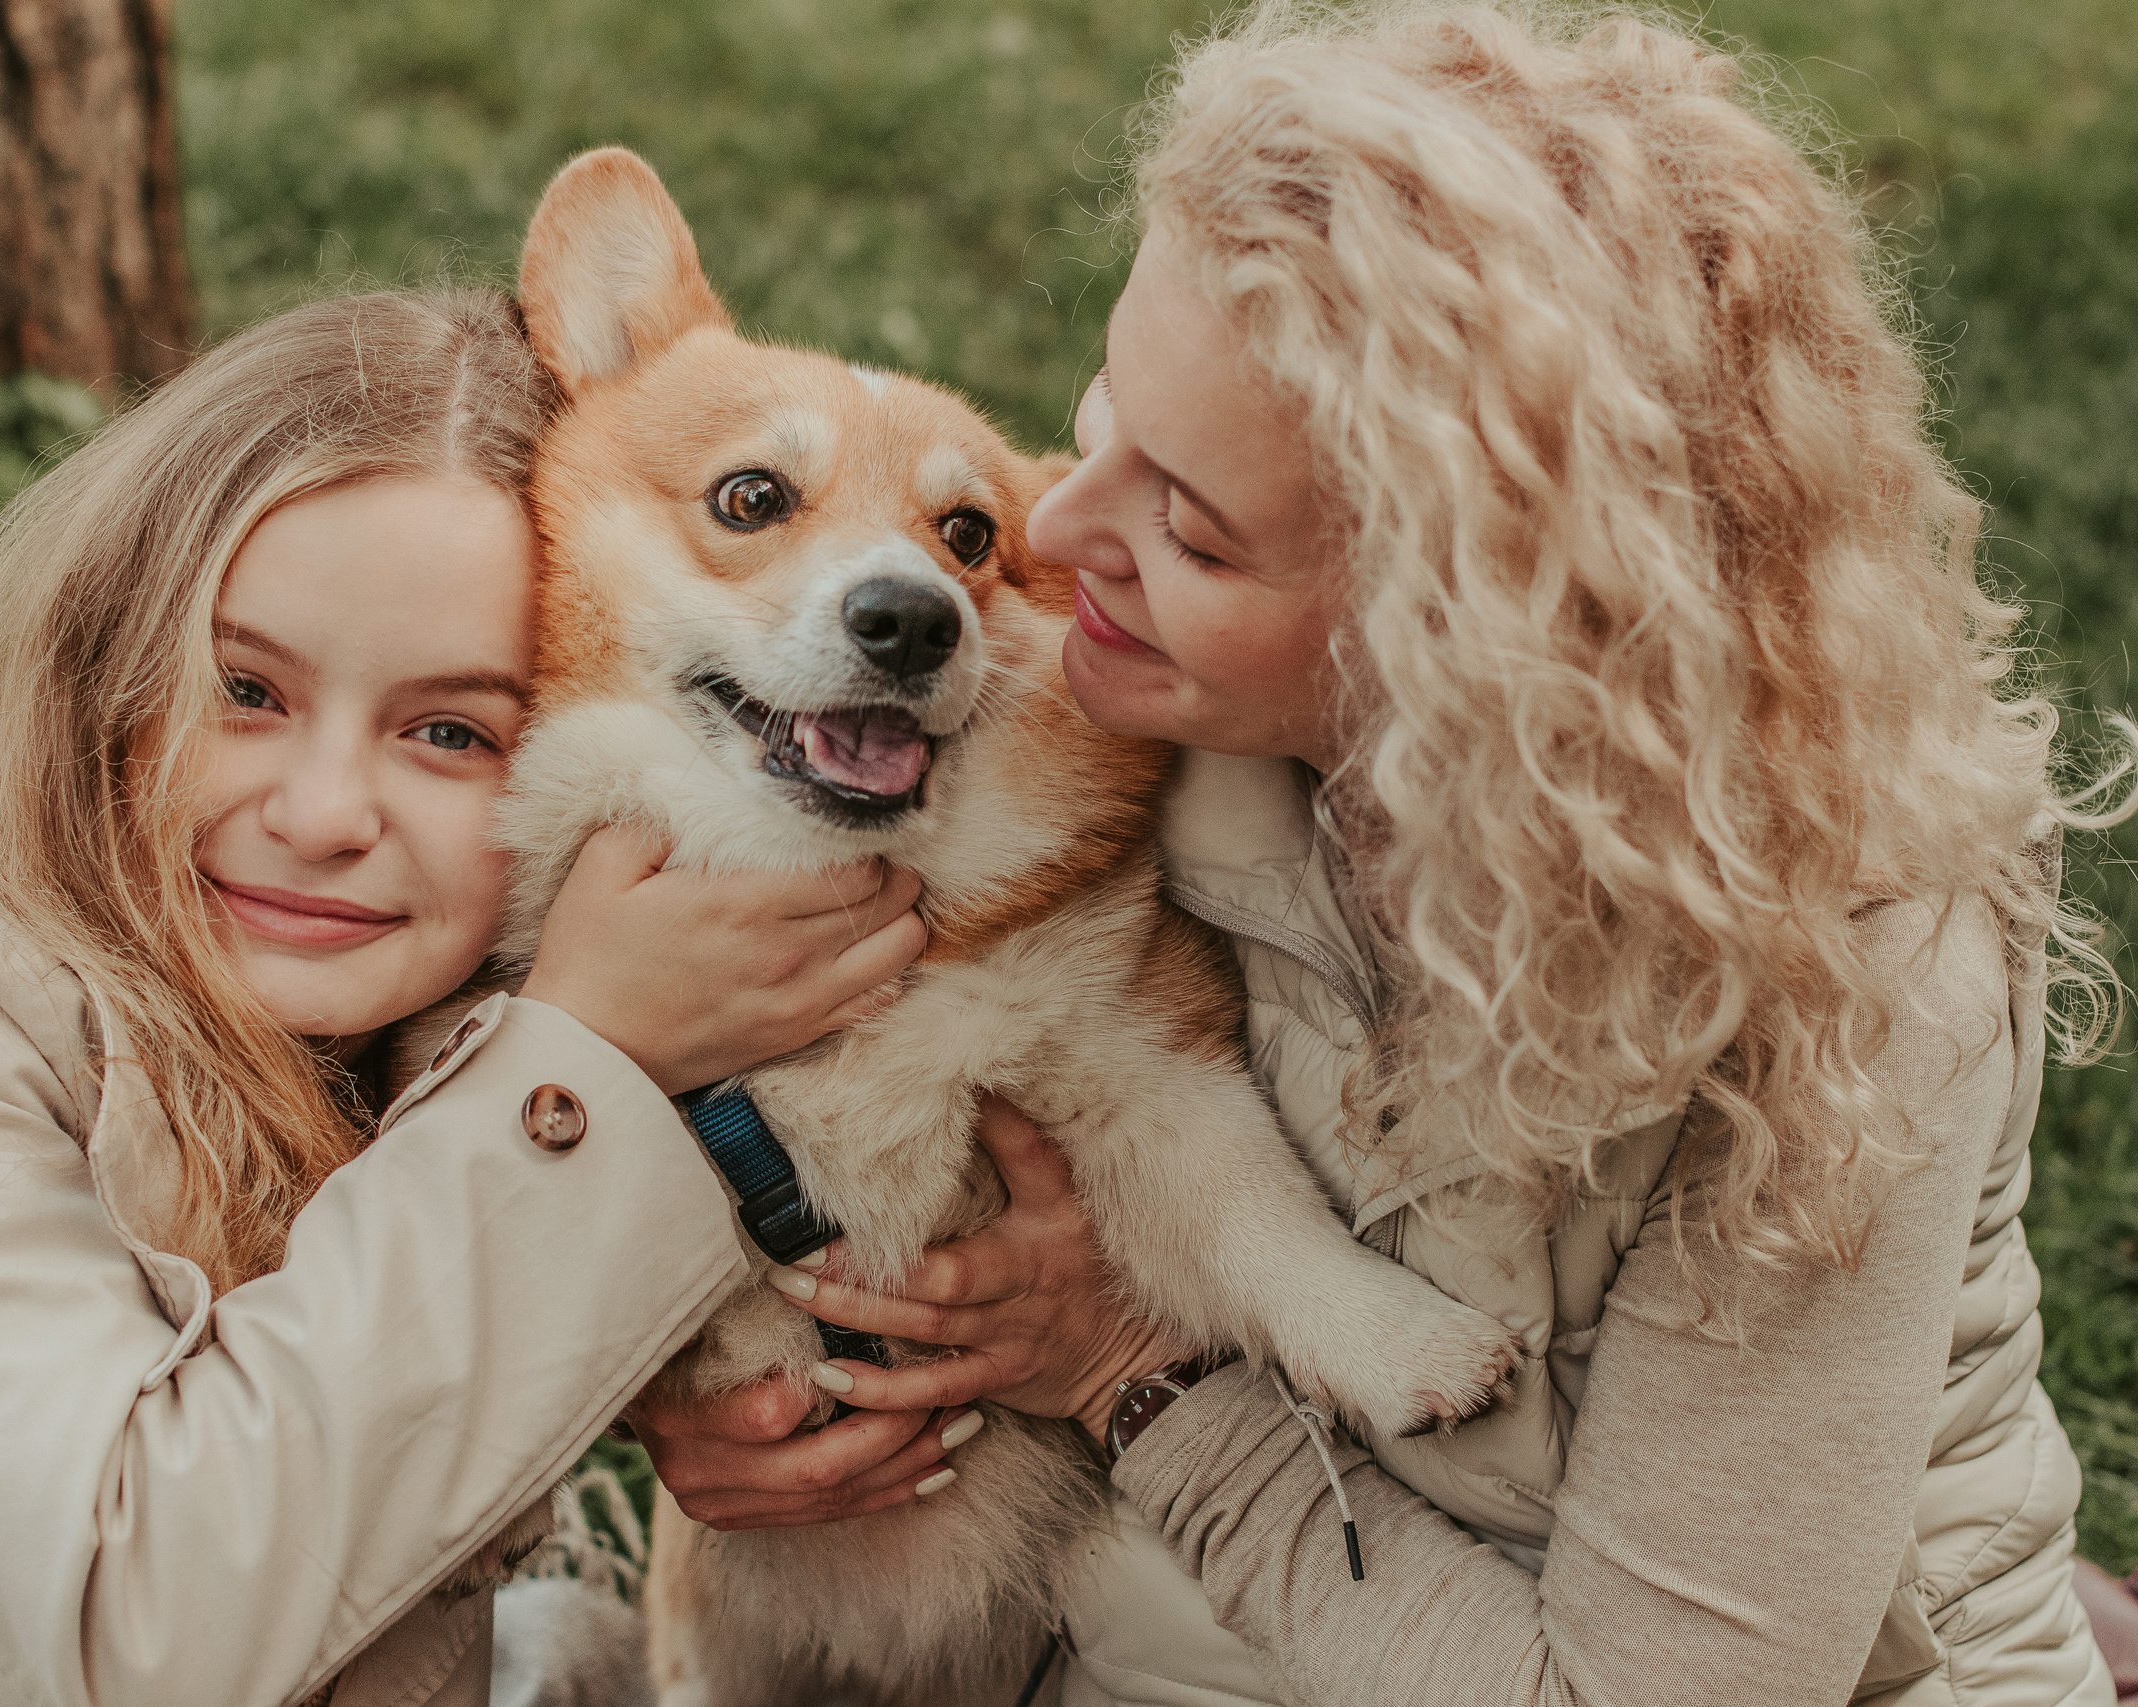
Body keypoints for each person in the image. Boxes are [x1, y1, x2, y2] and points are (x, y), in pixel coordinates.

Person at [632, 6, 2127, 1702]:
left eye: (1187, 523)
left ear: (1459, 643)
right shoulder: (1107, 716)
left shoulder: (1846, 979)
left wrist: (1129, 1370)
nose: (1050, 533)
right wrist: (705, 1408)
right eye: (1106, 405)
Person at [0, 287, 933, 1707]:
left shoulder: (407, 1029)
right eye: (242, 690)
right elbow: (138, 1620)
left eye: (452, 731)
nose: (327, 810)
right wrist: (580, 1067)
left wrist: (696, 1383)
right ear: (105, 664)